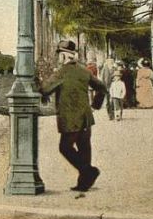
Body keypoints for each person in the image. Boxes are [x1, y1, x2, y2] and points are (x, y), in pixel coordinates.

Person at [39, 40, 107, 192]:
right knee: (84, 148)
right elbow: (102, 87)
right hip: (86, 117)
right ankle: (84, 184)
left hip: (70, 118)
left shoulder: (61, 72)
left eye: (59, 55)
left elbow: (45, 89)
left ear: (63, 56)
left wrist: (38, 82)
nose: (58, 58)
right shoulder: (84, 71)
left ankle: (89, 172)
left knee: (65, 148)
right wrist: (95, 105)